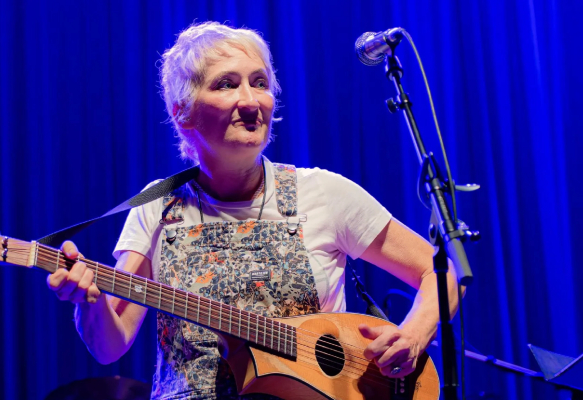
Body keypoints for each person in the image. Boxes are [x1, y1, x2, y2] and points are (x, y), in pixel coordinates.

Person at [46, 21, 461, 400]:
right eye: (227, 84)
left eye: (259, 83)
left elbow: (441, 273)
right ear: (182, 111)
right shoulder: (159, 205)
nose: (250, 100)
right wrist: (88, 302)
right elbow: (109, 346)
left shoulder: (323, 193)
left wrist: (413, 335)